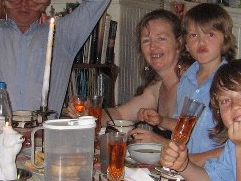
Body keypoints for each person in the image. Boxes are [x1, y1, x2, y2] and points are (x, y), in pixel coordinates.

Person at [72, 9, 192, 145]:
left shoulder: (192, 84)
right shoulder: (158, 87)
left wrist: (159, 141)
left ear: (179, 43)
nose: (153, 46)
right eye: (146, 40)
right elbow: (120, 114)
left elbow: (200, 143)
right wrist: (90, 114)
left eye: (161, 38)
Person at [142, 3, 235, 166]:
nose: (201, 42)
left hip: (216, 169)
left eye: (210, 34)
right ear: (185, 43)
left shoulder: (231, 83)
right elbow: (183, 125)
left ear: (225, 39)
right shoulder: (186, 79)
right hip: (186, 166)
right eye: (193, 35)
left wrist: (190, 161)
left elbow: (235, 144)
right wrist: (161, 120)